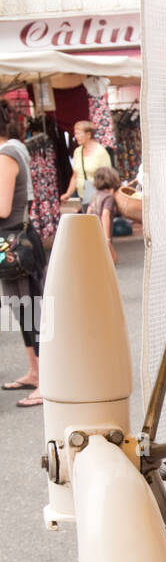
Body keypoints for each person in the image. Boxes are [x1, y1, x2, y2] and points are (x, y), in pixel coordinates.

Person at [0, 103, 48, 407]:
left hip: (14, 241)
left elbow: (2, 208)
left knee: (32, 311)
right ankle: (35, 373)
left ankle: (46, 382)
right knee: (23, 309)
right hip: (15, 241)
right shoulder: (14, 148)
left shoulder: (6, 156)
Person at [59, 120, 111, 210]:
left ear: (88, 134)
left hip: (97, 197)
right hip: (82, 196)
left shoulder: (100, 152)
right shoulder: (77, 152)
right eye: (75, 134)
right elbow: (75, 176)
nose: (76, 137)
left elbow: (108, 178)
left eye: (78, 134)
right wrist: (68, 194)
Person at [87, 165, 121, 265]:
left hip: (94, 229)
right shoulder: (109, 197)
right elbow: (105, 214)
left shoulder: (96, 195)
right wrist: (107, 238)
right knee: (112, 259)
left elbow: (89, 211)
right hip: (102, 230)